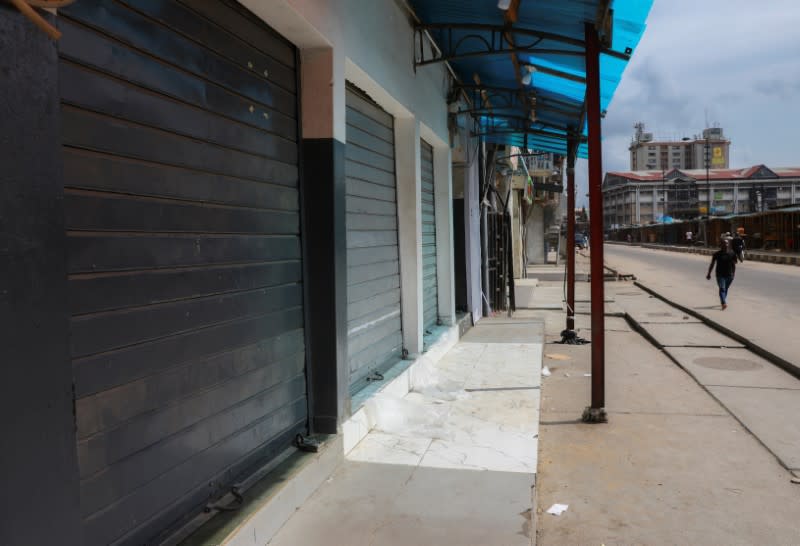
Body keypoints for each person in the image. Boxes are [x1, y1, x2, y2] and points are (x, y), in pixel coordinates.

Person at [706, 239, 737, 310]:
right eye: (723, 244)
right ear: (721, 245)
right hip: (720, 275)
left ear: (728, 245)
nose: (725, 245)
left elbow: (734, 265)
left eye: (726, 244)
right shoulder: (717, 254)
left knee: (725, 289)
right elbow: (712, 264)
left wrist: (733, 274)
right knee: (722, 289)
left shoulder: (732, 253)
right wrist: (709, 273)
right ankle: (723, 303)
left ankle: (723, 300)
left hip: (729, 275)